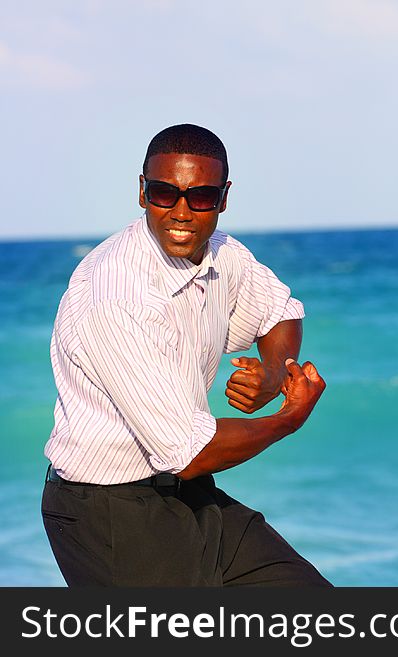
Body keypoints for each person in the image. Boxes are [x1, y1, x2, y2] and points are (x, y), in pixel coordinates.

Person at [41, 124, 332, 587]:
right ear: (142, 192)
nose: (181, 213)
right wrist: (289, 418)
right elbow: (190, 452)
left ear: (223, 197)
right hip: (108, 514)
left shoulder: (222, 254)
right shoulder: (117, 296)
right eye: (164, 193)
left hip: (188, 495)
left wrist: (275, 374)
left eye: (200, 197)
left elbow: (279, 312)